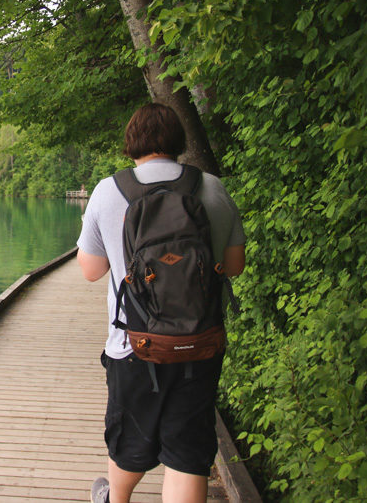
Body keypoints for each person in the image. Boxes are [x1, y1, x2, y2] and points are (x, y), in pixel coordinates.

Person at [77, 103, 246, 503]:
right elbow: (235, 266)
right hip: (199, 341)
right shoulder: (211, 187)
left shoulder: (108, 191)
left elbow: (91, 270)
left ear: (131, 143)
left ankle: (112, 500)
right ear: (177, 141)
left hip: (134, 346)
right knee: (187, 454)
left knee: (130, 439)